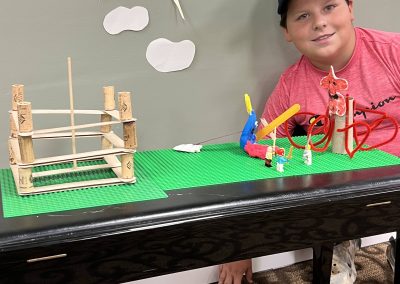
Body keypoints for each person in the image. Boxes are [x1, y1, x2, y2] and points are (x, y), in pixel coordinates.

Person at [218, 0, 400, 283]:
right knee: (332, 274)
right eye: (303, 15)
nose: (318, 22)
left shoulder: (393, 52)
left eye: (329, 7)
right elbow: (259, 160)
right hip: (337, 204)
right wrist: (242, 243)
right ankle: (343, 245)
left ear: (351, 7)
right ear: (286, 31)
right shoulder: (291, 85)